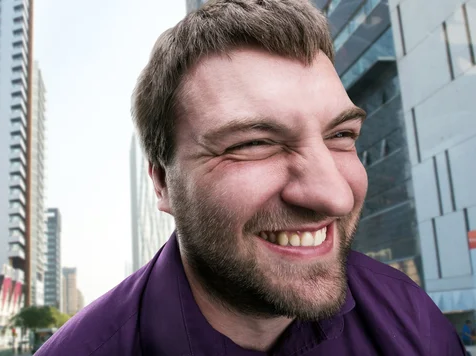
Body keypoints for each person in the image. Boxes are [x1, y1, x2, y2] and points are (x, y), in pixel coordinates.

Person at [36, 0, 465, 354]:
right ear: (162, 183)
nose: (333, 196)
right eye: (252, 144)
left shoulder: (411, 319)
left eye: (340, 135)